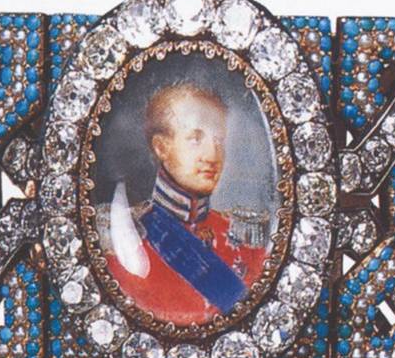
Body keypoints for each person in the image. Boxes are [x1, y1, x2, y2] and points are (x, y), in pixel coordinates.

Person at [99, 82, 268, 326]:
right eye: (195, 138)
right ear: (161, 147)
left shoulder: (244, 239)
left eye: (219, 141)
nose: (212, 155)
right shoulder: (125, 239)